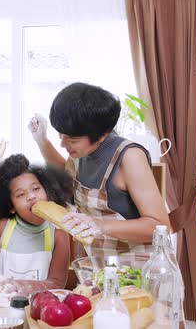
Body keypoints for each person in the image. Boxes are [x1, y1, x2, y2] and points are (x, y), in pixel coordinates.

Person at [28, 83, 170, 260]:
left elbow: (159, 226)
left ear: (102, 135)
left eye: (72, 139)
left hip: (142, 270)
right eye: (60, 135)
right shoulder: (81, 152)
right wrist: (42, 141)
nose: (63, 144)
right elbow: (66, 173)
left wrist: (100, 225)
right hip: (105, 270)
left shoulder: (130, 157)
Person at [0, 154, 72, 295]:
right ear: (11, 206)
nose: (31, 196)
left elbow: (57, 283)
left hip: (40, 309)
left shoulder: (58, 232)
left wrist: (25, 286)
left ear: (47, 191)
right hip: (3, 306)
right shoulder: (3, 227)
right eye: (20, 195)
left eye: (36, 189)